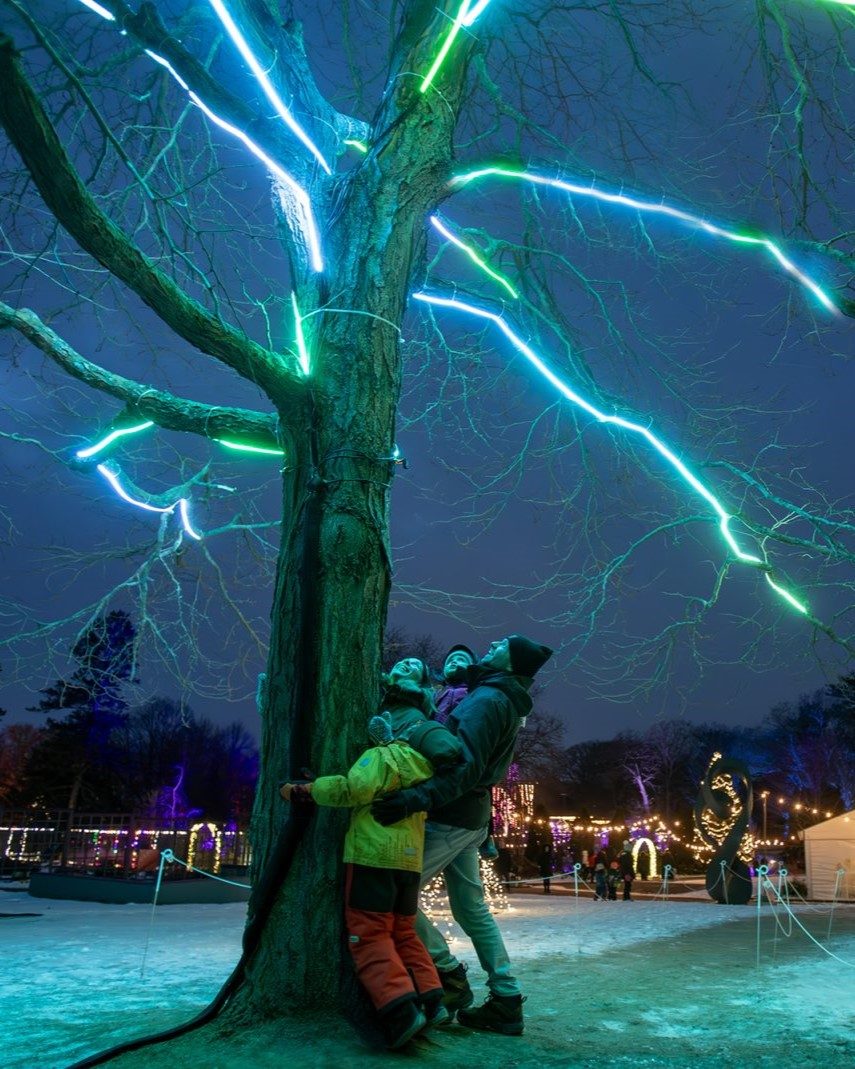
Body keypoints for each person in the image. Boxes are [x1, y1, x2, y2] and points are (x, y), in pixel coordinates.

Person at [372, 633, 553, 1037]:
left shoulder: (488, 700)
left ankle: (449, 974)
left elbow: (464, 767)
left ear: (511, 663)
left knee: (393, 890)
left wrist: (413, 799)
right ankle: (506, 999)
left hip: (452, 817)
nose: (492, 642)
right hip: (470, 819)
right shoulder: (491, 693)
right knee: (471, 910)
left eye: (503, 644)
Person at [280, 658, 462, 1050]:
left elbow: (352, 789)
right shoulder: (424, 768)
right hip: (408, 862)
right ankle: (432, 1001)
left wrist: (304, 791)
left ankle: (398, 1011)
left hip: (372, 858)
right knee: (404, 933)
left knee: (370, 935)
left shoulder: (380, 756)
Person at [435, 643, 477, 725]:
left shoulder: (473, 693)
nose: (453, 661)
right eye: (449, 661)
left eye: (461, 660)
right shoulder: (437, 693)